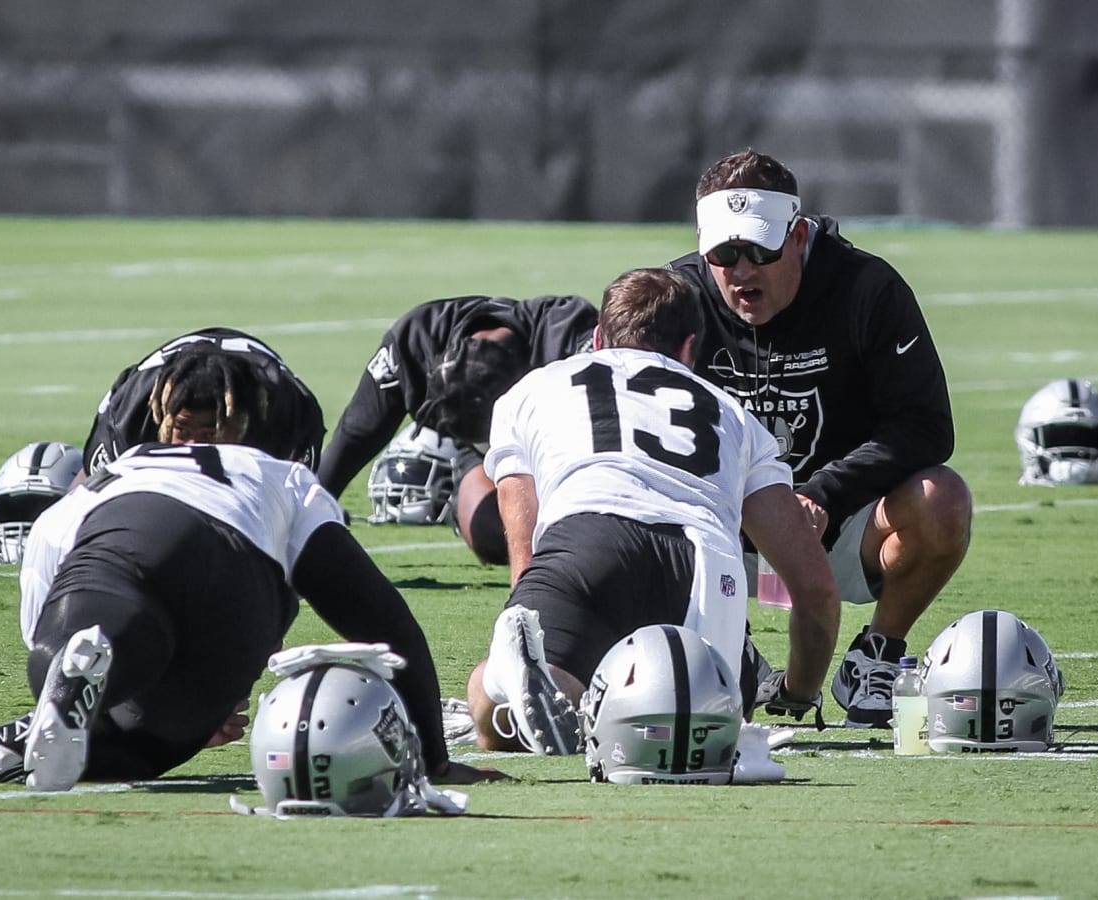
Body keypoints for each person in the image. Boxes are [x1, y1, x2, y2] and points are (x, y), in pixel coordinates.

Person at [0, 439, 498, 790]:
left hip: (118, 530)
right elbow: (385, 623)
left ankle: (47, 713)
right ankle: (76, 718)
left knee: (91, 657)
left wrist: (57, 678)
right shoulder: (285, 477)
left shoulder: (107, 473)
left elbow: (48, 566)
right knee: (156, 740)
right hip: (233, 571)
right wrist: (435, 758)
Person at [465, 268, 841, 754]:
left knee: (493, 706)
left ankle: (527, 684)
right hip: (705, 563)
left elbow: (522, 516)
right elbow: (816, 589)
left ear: (598, 338)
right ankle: (669, 700)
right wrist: (799, 691)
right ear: (689, 349)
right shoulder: (734, 414)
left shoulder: (536, 388)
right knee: (698, 728)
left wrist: (535, 611)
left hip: (588, 535)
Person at [665, 148, 973, 728]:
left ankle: (878, 652)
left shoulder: (866, 289)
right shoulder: (676, 298)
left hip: (841, 515)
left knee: (943, 499)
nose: (743, 268)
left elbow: (927, 424)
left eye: (761, 248)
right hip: (720, 524)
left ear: (800, 236)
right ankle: (731, 651)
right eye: (724, 253)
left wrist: (824, 494)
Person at [316, 294, 597, 564]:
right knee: (495, 534)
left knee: (569, 532)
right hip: (485, 448)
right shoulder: (416, 340)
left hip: (567, 446)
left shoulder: (571, 343)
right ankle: (460, 495)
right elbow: (355, 435)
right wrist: (312, 517)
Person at [81, 326, 326, 477]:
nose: (193, 447)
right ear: (164, 419)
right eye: (182, 430)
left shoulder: (288, 417)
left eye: (209, 434)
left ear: (239, 423)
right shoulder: (129, 417)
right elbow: (91, 504)